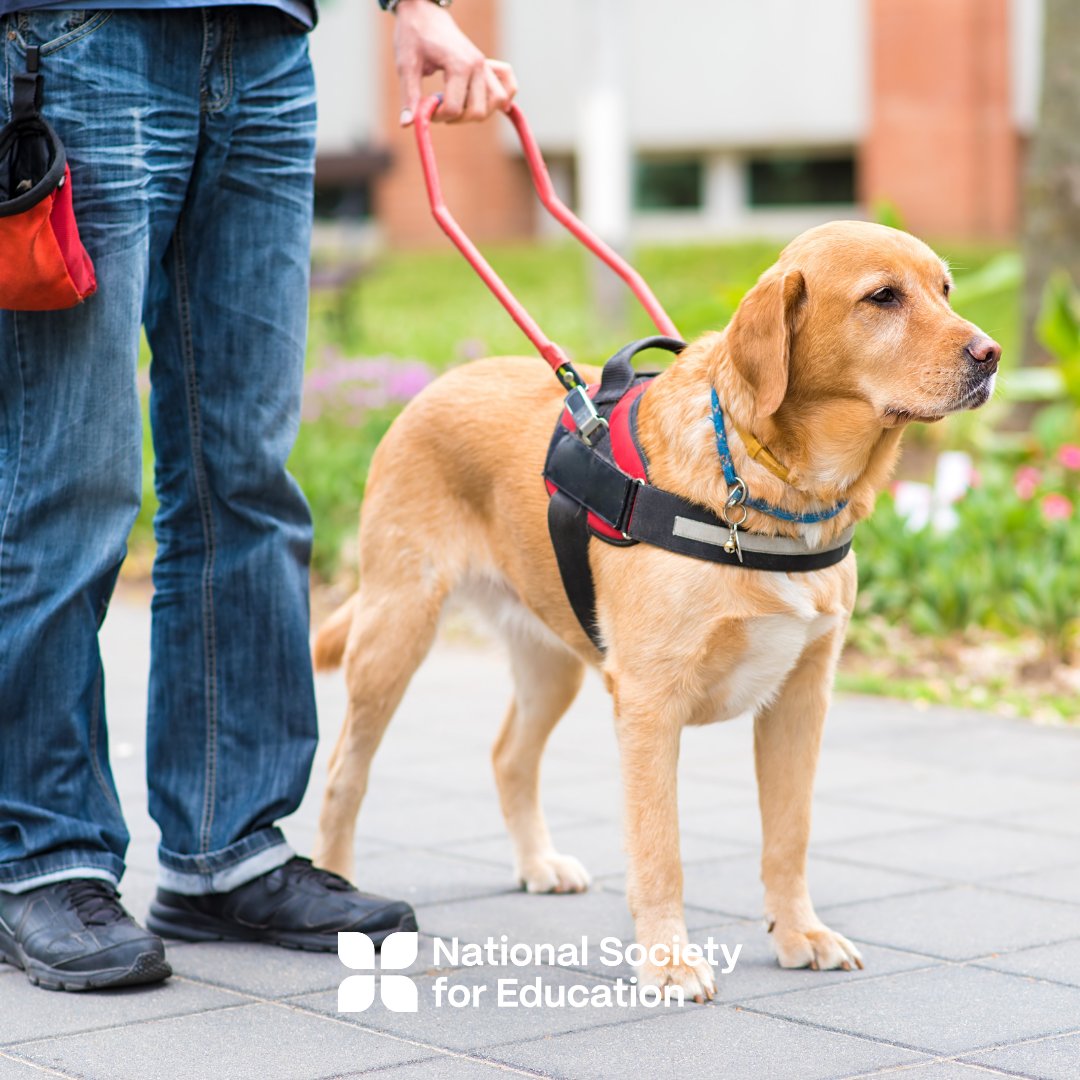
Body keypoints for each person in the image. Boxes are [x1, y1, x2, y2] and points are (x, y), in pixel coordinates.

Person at [0, 0, 516, 991]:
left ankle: (225, 847)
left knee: (246, 472)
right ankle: (40, 853)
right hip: (81, 38)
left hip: (269, 45)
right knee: (72, 472)